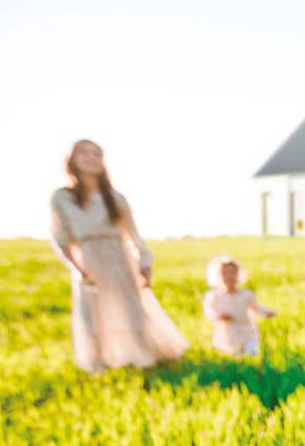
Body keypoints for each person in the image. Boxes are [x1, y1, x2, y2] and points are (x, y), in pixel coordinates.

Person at [49, 139, 188, 373]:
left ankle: (143, 355)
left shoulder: (115, 198)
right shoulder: (62, 198)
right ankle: (98, 362)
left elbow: (134, 236)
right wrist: (77, 267)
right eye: (84, 153)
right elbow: (61, 237)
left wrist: (144, 263)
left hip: (119, 258)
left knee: (130, 308)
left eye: (97, 155)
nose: (91, 159)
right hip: (87, 260)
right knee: (91, 312)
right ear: (72, 160)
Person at [202, 255, 275, 357]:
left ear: (238, 275)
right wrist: (218, 316)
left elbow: (256, 307)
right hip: (227, 334)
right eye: (224, 273)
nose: (229, 276)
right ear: (218, 276)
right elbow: (209, 312)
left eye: (232, 272)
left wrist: (266, 313)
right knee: (235, 356)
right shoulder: (214, 296)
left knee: (252, 354)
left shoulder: (246, 295)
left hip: (247, 332)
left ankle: (254, 365)